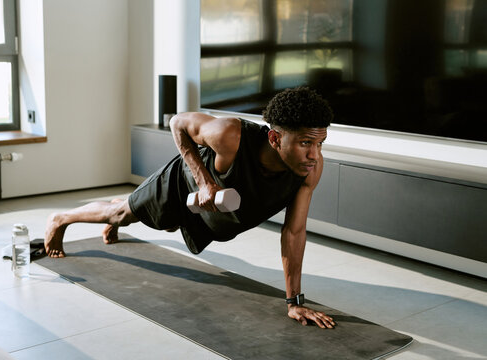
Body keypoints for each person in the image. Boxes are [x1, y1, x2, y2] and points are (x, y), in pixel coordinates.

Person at [45, 86, 335, 329]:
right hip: (181, 186)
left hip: (212, 216)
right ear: (275, 138)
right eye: (305, 143)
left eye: (320, 143)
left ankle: (130, 209)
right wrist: (205, 182)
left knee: (163, 223)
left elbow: (294, 232)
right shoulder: (230, 134)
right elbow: (177, 123)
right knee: (121, 214)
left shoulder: (309, 169)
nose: (314, 155)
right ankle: (62, 218)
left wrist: (294, 302)